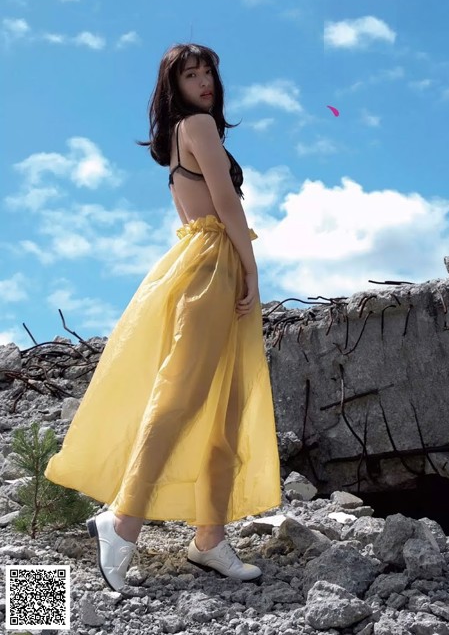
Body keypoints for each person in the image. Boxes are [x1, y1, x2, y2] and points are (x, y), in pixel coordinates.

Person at [44, 43, 282, 592]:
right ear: (171, 88)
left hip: (209, 262)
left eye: (208, 74)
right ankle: (122, 521)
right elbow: (228, 204)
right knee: (184, 395)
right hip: (214, 265)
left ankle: (209, 538)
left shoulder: (192, 132)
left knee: (227, 403)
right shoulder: (197, 126)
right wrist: (253, 272)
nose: (204, 83)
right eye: (190, 75)